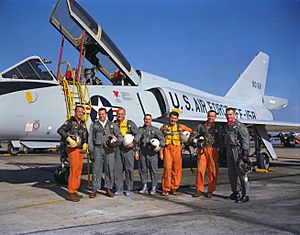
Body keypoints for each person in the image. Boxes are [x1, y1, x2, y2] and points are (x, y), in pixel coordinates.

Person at [88, 108, 123, 198]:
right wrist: (91, 151)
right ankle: (95, 189)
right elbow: (90, 139)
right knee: (96, 170)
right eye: (100, 114)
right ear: (98, 115)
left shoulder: (112, 125)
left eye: (103, 114)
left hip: (109, 150)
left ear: (106, 114)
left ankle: (108, 188)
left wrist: (115, 144)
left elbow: (120, 137)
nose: (101, 116)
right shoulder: (94, 125)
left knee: (109, 169)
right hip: (98, 148)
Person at [57, 105, 88, 202]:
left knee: (79, 169)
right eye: (78, 111)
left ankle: (75, 190)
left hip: (79, 149)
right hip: (72, 149)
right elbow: (60, 130)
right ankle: (71, 192)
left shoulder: (82, 124)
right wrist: (68, 139)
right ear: (75, 112)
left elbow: (85, 134)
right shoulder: (70, 122)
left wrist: (85, 143)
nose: (80, 113)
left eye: (82, 112)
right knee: (74, 169)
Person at [160, 111, 192, 196]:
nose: (173, 120)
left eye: (174, 118)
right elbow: (160, 139)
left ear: (177, 119)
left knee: (177, 169)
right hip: (167, 149)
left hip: (177, 149)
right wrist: (160, 152)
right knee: (167, 169)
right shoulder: (164, 127)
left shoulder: (180, 127)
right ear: (169, 118)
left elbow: (191, 131)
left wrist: (185, 138)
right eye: (171, 118)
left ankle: (174, 187)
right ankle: (166, 188)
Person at [193, 110, 224, 198]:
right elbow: (194, 134)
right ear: (207, 116)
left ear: (215, 117)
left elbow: (221, 139)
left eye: (213, 116)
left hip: (213, 150)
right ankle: (199, 189)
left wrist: (221, 151)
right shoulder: (201, 126)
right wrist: (196, 140)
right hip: (202, 149)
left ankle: (210, 190)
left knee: (212, 171)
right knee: (200, 170)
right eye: (209, 116)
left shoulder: (218, 127)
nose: (211, 118)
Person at [224, 107, 251, 203]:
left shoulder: (240, 126)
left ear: (234, 115)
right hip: (229, 150)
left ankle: (246, 194)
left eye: (230, 114)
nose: (229, 116)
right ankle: (236, 192)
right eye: (227, 115)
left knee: (242, 173)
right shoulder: (227, 126)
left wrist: (245, 154)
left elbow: (245, 140)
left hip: (238, 151)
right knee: (232, 173)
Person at [135, 114, 165, 195]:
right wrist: (136, 151)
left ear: (151, 120)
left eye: (148, 119)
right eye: (145, 119)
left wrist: (159, 147)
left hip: (152, 153)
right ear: (143, 120)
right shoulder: (140, 130)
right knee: (142, 170)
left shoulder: (155, 130)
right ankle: (144, 185)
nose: (147, 121)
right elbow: (137, 141)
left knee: (153, 170)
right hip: (143, 152)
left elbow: (162, 139)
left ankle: (154, 186)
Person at [114, 107, 138, 196]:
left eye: (121, 114)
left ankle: (129, 189)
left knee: (129, 169)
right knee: (118, 170)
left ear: (124, 115)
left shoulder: (129, 123)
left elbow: (138, 133)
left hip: (128, 149)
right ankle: (119, 188)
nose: (119, 115)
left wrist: (134, 143)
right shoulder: (113, 124)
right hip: (117, 149)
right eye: (118, 114)